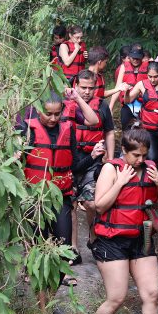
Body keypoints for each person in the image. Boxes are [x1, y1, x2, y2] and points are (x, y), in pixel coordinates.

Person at [83, 128, 158, 314]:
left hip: (141, 237)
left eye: (144, 155)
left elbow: (155, 203)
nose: (140, 160)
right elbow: (100, 206)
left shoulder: (150, 168)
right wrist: (121, 182)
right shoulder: (111, 169)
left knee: (152, 294)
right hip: (112, 240)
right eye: (136, 155)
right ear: (124, 150)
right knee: (116, 297)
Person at [17, 91, 98, 302]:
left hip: (61, 197)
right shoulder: (26, 129)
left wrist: (92, 157)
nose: (53, 119)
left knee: (63, 253)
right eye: (48, 114)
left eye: (56, 114)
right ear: (39, 111)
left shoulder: (67, 129)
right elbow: (14, 163)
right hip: (36, 199)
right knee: (40, 252)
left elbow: (74, 165)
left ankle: (50, 299)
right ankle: (43, 307)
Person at [70, 69, 117, 249]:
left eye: (91, 88)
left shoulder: (102, 105)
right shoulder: (68, 105)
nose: (87, 91)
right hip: (72, 161)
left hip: (94, 160)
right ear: (76, 86)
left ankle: (93, 237)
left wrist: (110, 160)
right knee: (71, 204)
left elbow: (110, 132)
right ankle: (73, 247)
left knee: (91, 203)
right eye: (83, 87)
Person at [124, 61, 158, 182]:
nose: (153, 80)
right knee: (152, 158)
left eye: (156, 76)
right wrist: (127, 92)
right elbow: (127, 101)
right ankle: (150, 185)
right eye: (150, 76)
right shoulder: (141, 85)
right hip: (148, 129)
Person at [112, 44, 149, 130]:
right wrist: (111, 107)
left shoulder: (148, 67)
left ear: (142, 57)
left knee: (144, 133)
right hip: (127, 104)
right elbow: (118, 87)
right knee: (126, 131)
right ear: (129, 56)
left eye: (138, 58)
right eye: (133, 58)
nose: (135, 60)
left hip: (143, 104)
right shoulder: (123, 67)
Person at [110, 45, 131, 114]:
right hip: (125, 98)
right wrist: (111, 107)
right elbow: (118, 87)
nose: (131, 59)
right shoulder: (121, 69)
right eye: (129, 58)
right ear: (123, 59)